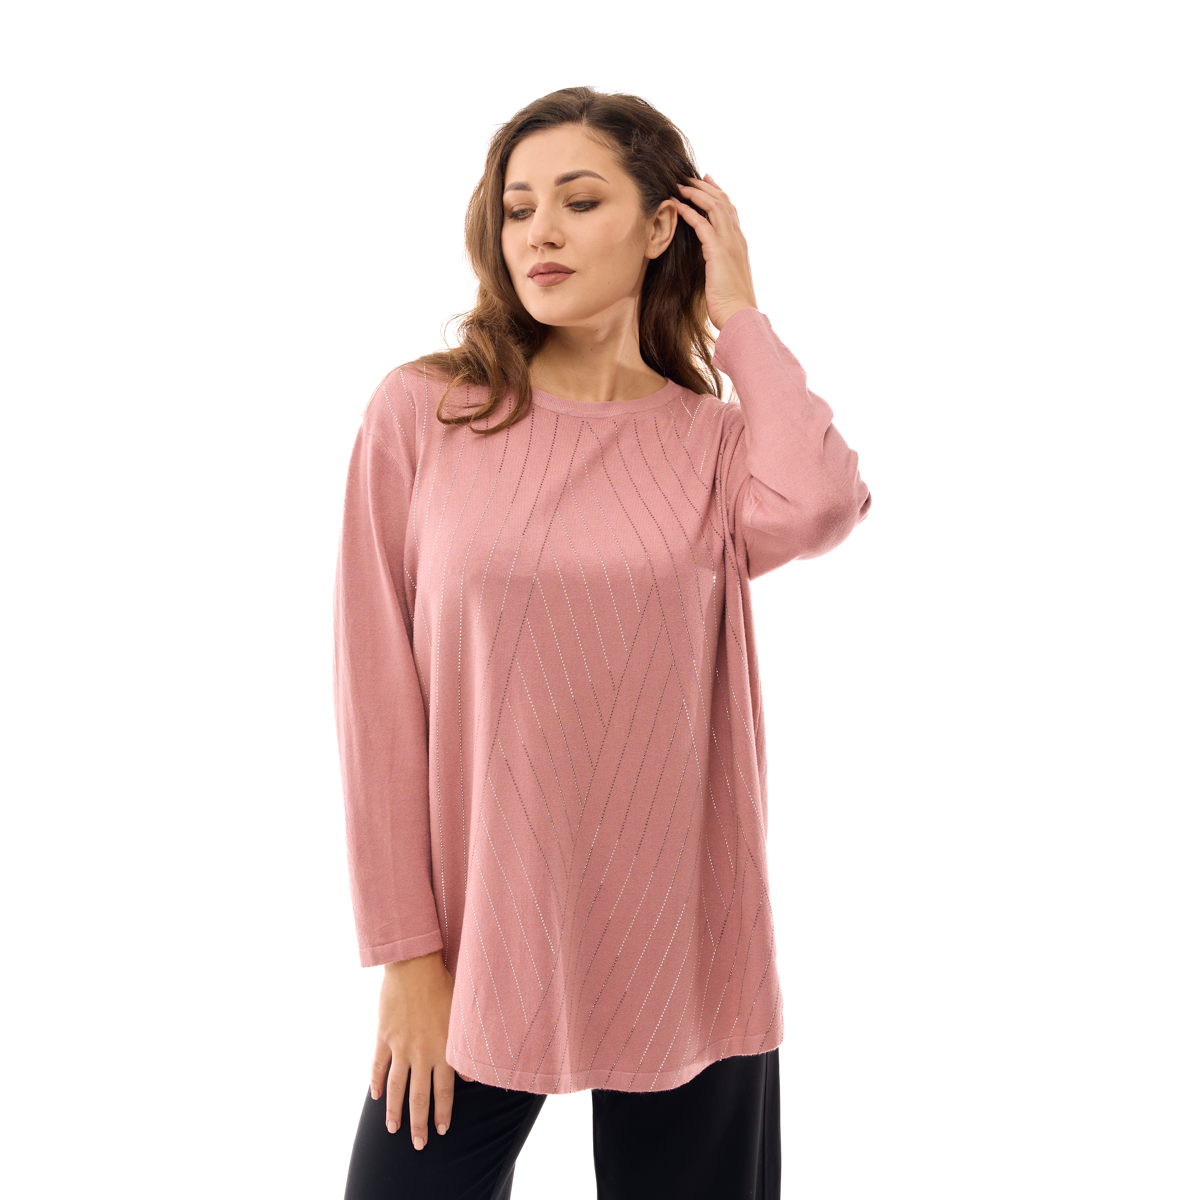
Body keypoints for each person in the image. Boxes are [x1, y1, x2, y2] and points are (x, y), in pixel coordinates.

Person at [332, 86, 872, 1200]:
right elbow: (374, 696)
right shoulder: (425, 414)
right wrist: (406, 957)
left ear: (664, 225)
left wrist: (740, 316)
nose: (541, 231)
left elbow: (820, 502)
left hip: (688, 947)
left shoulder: (714, 446)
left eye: (580, 202)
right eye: (518, 206)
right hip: (480, 945)